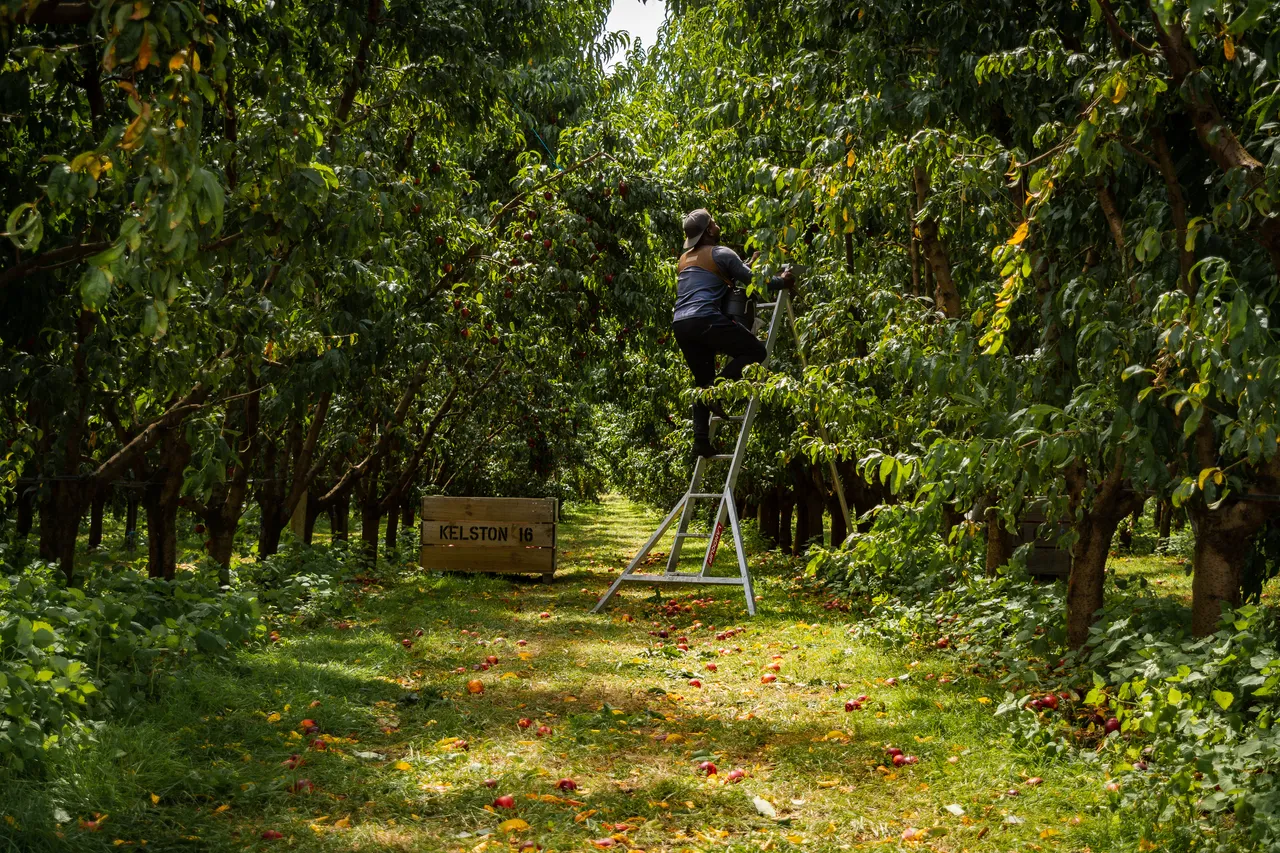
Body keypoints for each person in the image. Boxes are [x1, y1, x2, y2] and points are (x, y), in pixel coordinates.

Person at [672, 208, 794, 458]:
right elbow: (753, 281)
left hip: (681, 324)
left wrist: (745, 264)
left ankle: (700, 442)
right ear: (708, 231)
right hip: (706, 318)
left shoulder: (683, 260)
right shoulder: (722, 253)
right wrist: (783, 281)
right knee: (755, 351)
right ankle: (716, 391)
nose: (717, 226)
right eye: (714, 223)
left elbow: (718, 277)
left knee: (701, 382)